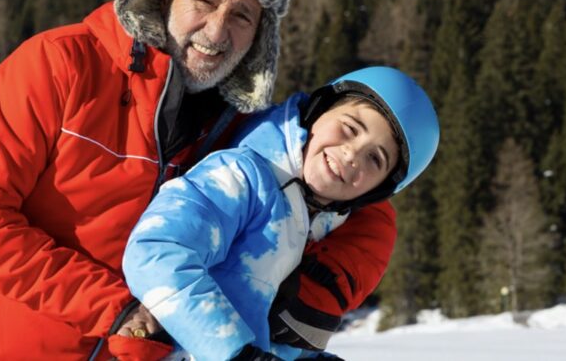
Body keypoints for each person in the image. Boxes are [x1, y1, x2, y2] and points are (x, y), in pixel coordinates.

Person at [0, 0, 397, 361]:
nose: (217, 31)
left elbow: (364, 199)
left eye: (242, 15)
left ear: (259, 37)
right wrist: (113, 307)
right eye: (205, 0)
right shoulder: (59, 65)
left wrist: (314, 297)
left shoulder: (241, 132)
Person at [121, 67, 440, 360]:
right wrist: (235, 352)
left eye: (375, 159)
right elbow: (155, 253)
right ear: (318, 111)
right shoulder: (241, 177)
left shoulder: (317, 223)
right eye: (349, 128)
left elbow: (267, 334)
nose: (352, 154)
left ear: (377, 190)